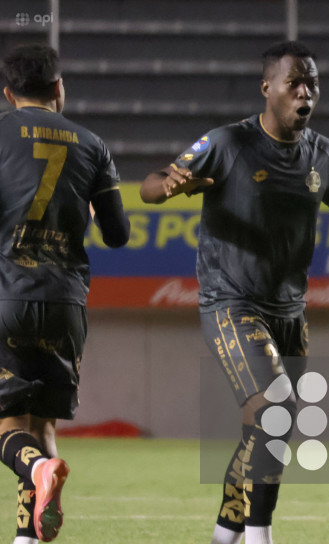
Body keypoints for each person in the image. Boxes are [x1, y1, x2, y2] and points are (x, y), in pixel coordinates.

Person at [139, 40, 329, 544]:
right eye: (294, 82)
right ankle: (260, 535)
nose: (305, 92)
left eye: (312, 83)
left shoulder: (323, 154)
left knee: (268, 430)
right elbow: (150, 185)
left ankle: (224, 536)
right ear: (267, 88)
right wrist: (167, 186)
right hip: (232, 302)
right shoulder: (228, 143)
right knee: (273, 409)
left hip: (289, 311)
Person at [0, 44, 130, 543]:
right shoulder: (93, 145)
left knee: (9, 426)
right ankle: (27, 538)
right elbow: (117, 235)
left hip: (8, 297)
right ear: (59, 88)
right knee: (43, 426)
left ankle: (37, 470)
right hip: (65, 303)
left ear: (8, 93)